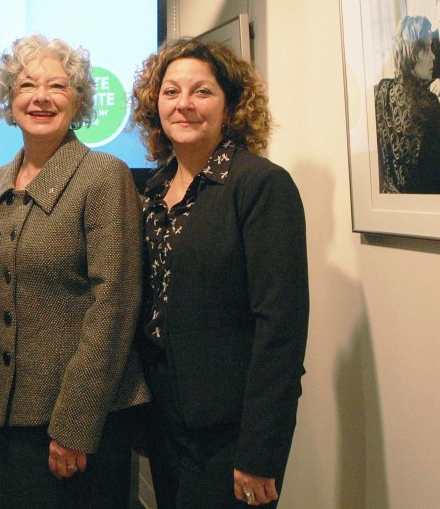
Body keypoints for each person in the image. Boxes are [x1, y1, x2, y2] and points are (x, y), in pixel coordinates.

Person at [0, 35, 149, 508]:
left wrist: (75, 424)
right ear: (10, 100)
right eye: (27, 85)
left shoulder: (104, 176)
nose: (41, 97)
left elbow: (115, 305)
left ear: (80, 101)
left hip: (70, 429)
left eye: (58, 86)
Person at [130, 38, 309, 508]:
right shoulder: (154, 191)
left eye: (201, 92)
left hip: (232, 439)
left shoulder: (261, 187)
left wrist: (260, 452)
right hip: (168, 431)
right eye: (171, 92)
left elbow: (281, 330)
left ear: (230, 107)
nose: (184, 104)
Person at [374, 15, 440, 194]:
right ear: (411, 53)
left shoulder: (381, 90)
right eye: (426, 50)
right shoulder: (427, 104)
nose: (433, 56)